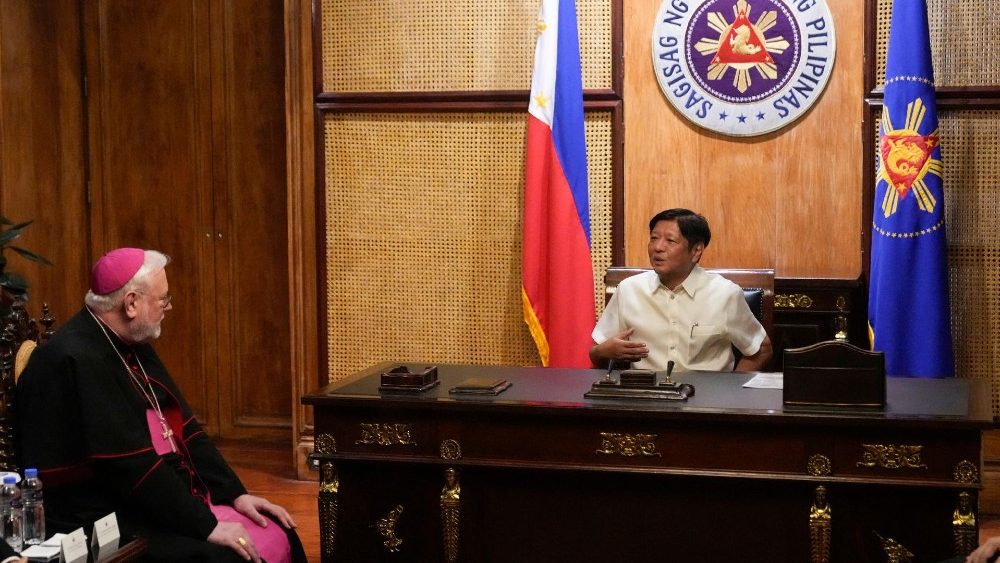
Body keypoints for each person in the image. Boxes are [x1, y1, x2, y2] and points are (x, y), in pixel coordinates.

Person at [16, 248, 306, 562]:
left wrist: (234, 494)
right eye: (162, 299)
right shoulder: (75, 359)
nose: (168, 307)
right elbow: (129, 465)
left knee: (278, 527)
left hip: (153, 496)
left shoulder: (130, 341)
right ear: (130, 303)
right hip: (102, 516)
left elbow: (186, 428)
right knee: (226, 556)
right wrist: (205, 524)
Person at [590, 208, 773, 372]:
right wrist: (604, 351)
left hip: (705, 403)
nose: (658, 247)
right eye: (654, 238)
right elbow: (596, 351)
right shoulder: (629, 289)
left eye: (670, 241)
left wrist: (731, 391)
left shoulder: (724, 294)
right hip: (647, 398)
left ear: (696, 251)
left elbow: (760, 350)